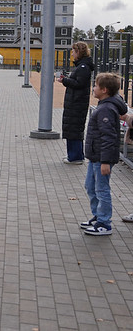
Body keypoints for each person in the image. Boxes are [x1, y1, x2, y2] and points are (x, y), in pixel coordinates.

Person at [79, 73, 128, 236]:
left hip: (102, 157)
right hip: (96, 156)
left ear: (104, 90)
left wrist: (106, 161)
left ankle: (104, 222)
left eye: (95, 86)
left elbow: (108, 136)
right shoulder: (104, 105)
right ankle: (98, 215)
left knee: (101, 189)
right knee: (91, 186)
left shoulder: (106, 108)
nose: (93, 88)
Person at [56, 41, 95, 164]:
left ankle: (75, 156)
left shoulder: (83, 67)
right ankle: (74, 155)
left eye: (73, 51)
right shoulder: (82, 66)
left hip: (77, 103)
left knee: (74, 130)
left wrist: (65, 81)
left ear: (78, 52)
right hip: (75, 102)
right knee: (72, 129)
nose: (72, 54)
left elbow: (80, 84)